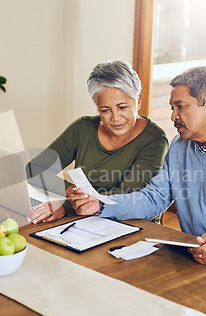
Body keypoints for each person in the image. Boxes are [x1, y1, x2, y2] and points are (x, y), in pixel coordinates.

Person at [70, 66, 206, 266]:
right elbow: (153, 199)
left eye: (180, 107)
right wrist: (101, 205)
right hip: (201, 260)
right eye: (172, 108)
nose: (173, 116)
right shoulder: (179, 146)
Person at [26, 60, 169, 224]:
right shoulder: (82, 128)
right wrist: (72, 192)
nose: (115, 118)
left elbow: (127, 196)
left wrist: (67, 206)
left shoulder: (155, 140)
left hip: (133, 226)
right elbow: (34, 170)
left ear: (139, 101)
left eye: (122, 107)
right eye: (105, 110)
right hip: (86, 221)